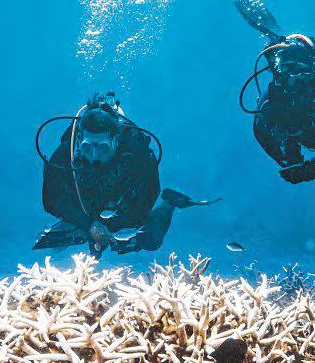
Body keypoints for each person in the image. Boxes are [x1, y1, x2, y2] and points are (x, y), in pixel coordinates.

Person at [34, 92, 217, 257]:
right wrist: (89, 224)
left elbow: (149, 197)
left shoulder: (136, 153)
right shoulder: (67, 152)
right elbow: (50, 201)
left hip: (122, 204)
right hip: (86, 203)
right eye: (88, 148)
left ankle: (169, 202)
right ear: (80, 139)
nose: (94, 157)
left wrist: (111, 227)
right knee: (68, 236)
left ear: (116, 140)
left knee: (151, 241)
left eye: (103, 148)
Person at [236, 0, 315, 212]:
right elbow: (267, 139)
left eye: (302, 75)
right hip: (298, 135)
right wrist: (293, 164)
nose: (296, 82)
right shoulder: (269, 106)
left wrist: (310, 170)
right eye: (290, 75)